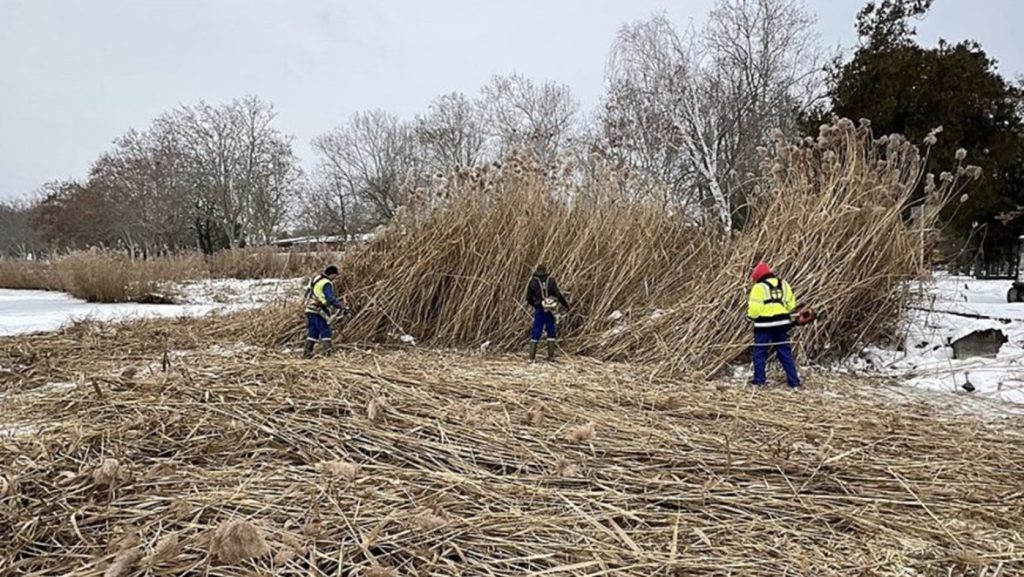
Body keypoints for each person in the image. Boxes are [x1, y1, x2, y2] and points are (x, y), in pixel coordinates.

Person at [747, 261, 801, 389]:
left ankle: (759, 381)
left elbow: (755, 309)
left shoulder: (758, 288)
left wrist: (750, 317)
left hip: (764, 326)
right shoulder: (784, 284)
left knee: (760, 352)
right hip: (782, 324)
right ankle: (794, 382)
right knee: (784, 352)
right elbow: (791, 305)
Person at [525, 265, 571, 363]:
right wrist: (566, 305)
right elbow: (558, 295)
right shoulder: (551, 281)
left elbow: (528, 298)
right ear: (545, 272)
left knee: (536, 331)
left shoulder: (533, 282)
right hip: (550, 309)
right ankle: (551, 357)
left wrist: (535, 305)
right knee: (551, 331)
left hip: (539, 309)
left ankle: (531, 358)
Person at [303, 265, 348, 358]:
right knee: (325, 331)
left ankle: (307, 353)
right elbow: (330, 298)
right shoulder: (326, 283)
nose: (335, 278)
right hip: (319, 310)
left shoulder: (315, 279)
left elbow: (306, 294)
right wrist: (341, 306)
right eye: (335, 276)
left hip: (309, 309)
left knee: (313, 332)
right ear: (332, 274)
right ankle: (326, 354)